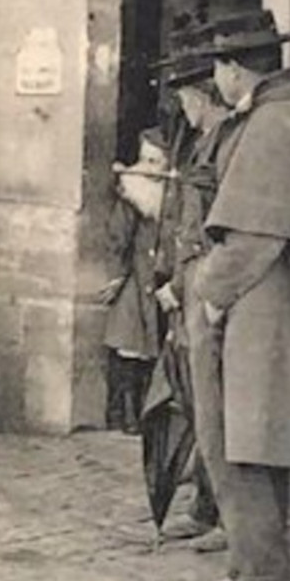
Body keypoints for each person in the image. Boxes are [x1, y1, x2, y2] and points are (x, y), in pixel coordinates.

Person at [188, 10, 290, 581]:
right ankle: (249, 566)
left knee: (245, 441)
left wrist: (209, 293)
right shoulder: (278, 114)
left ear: (231, 68)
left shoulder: (277, 123)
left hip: (264, 304)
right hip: (266, 301)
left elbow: (252, 234)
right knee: (242, 439)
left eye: (219, 65)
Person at [151, 37, 230, 549]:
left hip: (202, 289)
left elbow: (206, 227)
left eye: (183, 96)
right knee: (194, 400)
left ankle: (222, 513)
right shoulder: (196, 138)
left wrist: (181, 286)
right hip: (185, 285)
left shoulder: (223, 138)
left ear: (200, 95)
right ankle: (206, 506)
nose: (181, 107)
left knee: (214, 405)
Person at [102, 128, 168, 436]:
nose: (150, 168)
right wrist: (116, 275)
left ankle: (146, 410)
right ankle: (124, 412)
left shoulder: (170, 195)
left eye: (157, 161)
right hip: (134, 279)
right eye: (145, 160)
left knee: (151, 349)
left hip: (158, 279)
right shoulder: (132, 193)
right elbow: (118, 237)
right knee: (130, 344)